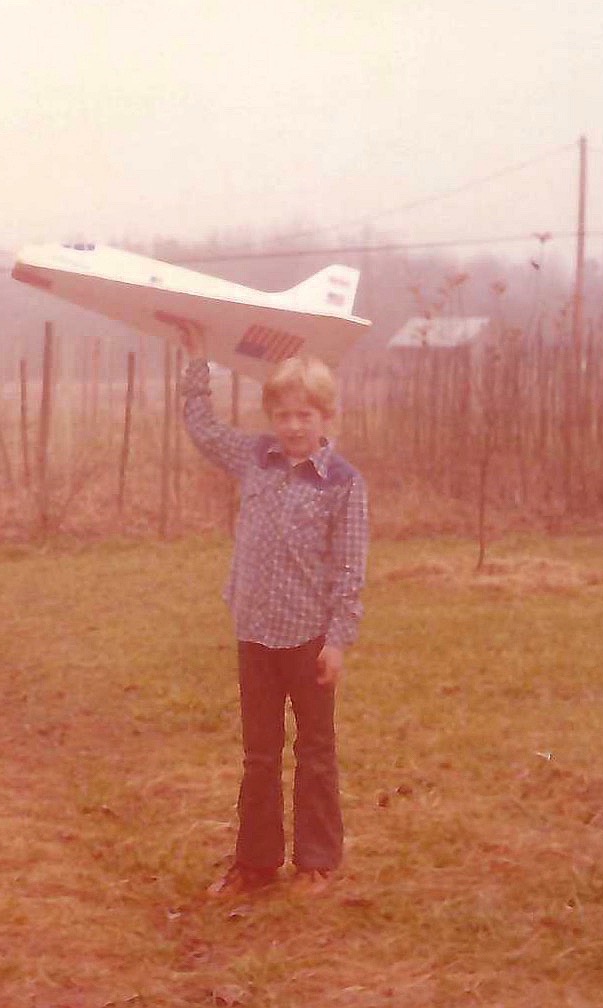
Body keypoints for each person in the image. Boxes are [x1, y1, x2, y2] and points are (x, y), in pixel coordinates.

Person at [179, 351, 368, 899]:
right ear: (272, 418)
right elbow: (202, 429)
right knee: (259, 753)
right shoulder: (254, 457)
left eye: (304, 415)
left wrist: (337, 640)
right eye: (283, 415)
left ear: (325, 417)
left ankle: (317, 862)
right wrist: (197, 360)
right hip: (254, 633)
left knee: (315, 750)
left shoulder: (343, 483)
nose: (292, 426)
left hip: (310, 639)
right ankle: (254, 864)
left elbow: (351, 567)